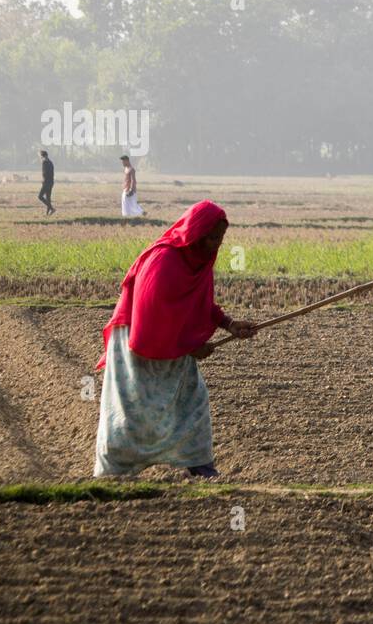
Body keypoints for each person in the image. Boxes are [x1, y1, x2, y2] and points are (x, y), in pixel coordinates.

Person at [93, 200, 256, 478]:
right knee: (133, 408)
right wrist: (190, 346)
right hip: (138, 342)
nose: (217, 244)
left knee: (192, 400)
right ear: (196, 232)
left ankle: (199, 465)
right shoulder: (164, 261)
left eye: (221, 238)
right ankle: (112, 471)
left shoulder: (199, 260)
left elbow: (197, 303)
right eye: (212, 237)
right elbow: (151, 317)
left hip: (174, 344)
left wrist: (229, 324)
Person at [37, 149, 55, 215]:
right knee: (48, 198)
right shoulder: (50, 162)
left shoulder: (44, 162)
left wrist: (43, 181)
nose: (40, 157)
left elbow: (44, 173)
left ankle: (52, 208)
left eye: (40, 156)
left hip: (46, 182)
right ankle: (47, 213)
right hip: (51, 182)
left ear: (42, 156)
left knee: (40, 196)